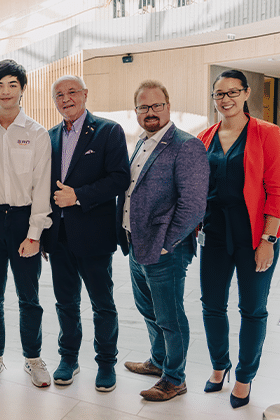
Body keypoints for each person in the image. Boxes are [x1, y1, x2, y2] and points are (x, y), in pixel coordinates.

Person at [197, 69, 280, 409]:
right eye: (219, 94)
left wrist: (269, 238)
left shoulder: (267, 133)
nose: (226, 99)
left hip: (255, 235)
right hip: (215, 235)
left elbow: (277, 190)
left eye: (233, 92)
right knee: (212, 306)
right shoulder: (205, 137)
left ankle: (244, 376)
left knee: (252, 309)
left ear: (246, 93)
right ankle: (220, 365)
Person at [120, 80, 209, 401]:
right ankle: (158, 361)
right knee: (147, 309)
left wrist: (165, 243)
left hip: (165, 249)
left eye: (157, 105)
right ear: (136, 112)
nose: (151, 112)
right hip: (137, 243)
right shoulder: (141, 143)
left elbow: (194, 204)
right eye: (144, 107)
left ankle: (175, 378)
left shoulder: (186, 145)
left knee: (169, 315)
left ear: (168, 107)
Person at [41, 75, 130, 392]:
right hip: (58, 235)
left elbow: (120, 179)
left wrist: (77, 195)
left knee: (102, 303)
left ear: (85, 94)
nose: (65, 99)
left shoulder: (108, 131)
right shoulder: (49, 137)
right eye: (59, 95)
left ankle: (106, 363)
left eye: (72, 92)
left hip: (93, 235)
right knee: (65, 303)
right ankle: (69, 359)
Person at [0, 59, 53, 388]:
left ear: (22, 89)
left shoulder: (36, 133)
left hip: (23, 221)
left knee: (29, 297)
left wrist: (34, 234)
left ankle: (33, 359)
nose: (5, 92)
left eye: (12, 85)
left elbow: (42, 187)